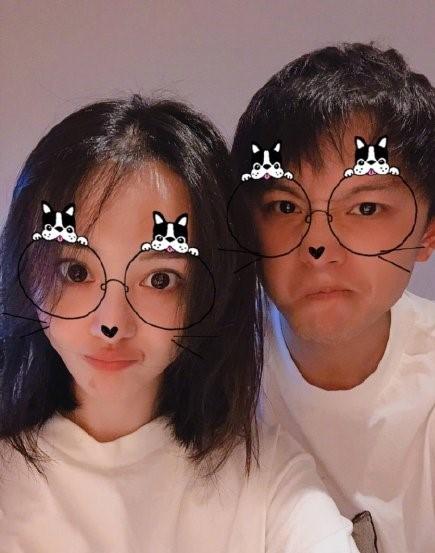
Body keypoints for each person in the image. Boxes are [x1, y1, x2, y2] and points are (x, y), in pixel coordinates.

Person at [0, 95, 359, 552]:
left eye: (159, 279)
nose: (111, 322)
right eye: (76, 272)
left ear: (208, 292)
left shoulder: (266, 479)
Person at [230, 42, 435, 553]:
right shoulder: (206, 371)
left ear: (428, 232)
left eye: (365, 208)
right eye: (284, 206)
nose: (318, 246)